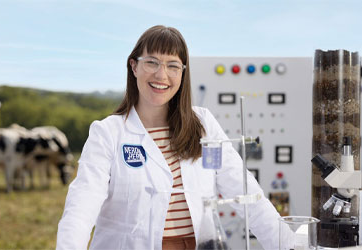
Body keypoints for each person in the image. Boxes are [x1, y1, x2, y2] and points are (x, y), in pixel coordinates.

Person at [56, 25, 282, 250]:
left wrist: (289, 245)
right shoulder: (108, 133)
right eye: (152, 62)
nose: (161, 75)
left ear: (182, 73)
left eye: (173, 65)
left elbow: (247, 192)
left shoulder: (202, 124)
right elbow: (81, 208)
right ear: (134, 66)